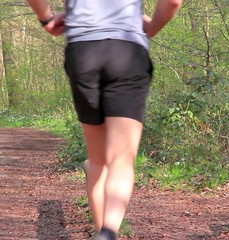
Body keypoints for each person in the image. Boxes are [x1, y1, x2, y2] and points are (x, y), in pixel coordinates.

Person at [26, 0, 182, 239]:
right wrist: (151, 26)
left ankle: (103, 233)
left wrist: (46, 17)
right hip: (127, 53)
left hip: (83, 51)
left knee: (98, 161)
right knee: (121, 159)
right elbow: (172, 2)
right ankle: (108, 231)